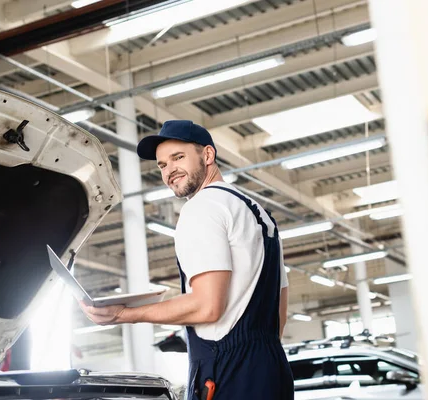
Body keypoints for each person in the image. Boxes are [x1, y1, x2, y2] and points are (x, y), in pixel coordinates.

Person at [80, 120, 294, 400]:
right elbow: (280, 309)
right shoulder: (259, 214)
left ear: (207, 155)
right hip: (271, 366)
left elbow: (207, 307)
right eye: (162, 165)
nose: (170, 171)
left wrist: (124, 314)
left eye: (178, 157)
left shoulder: (202, 208)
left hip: (227, 370)